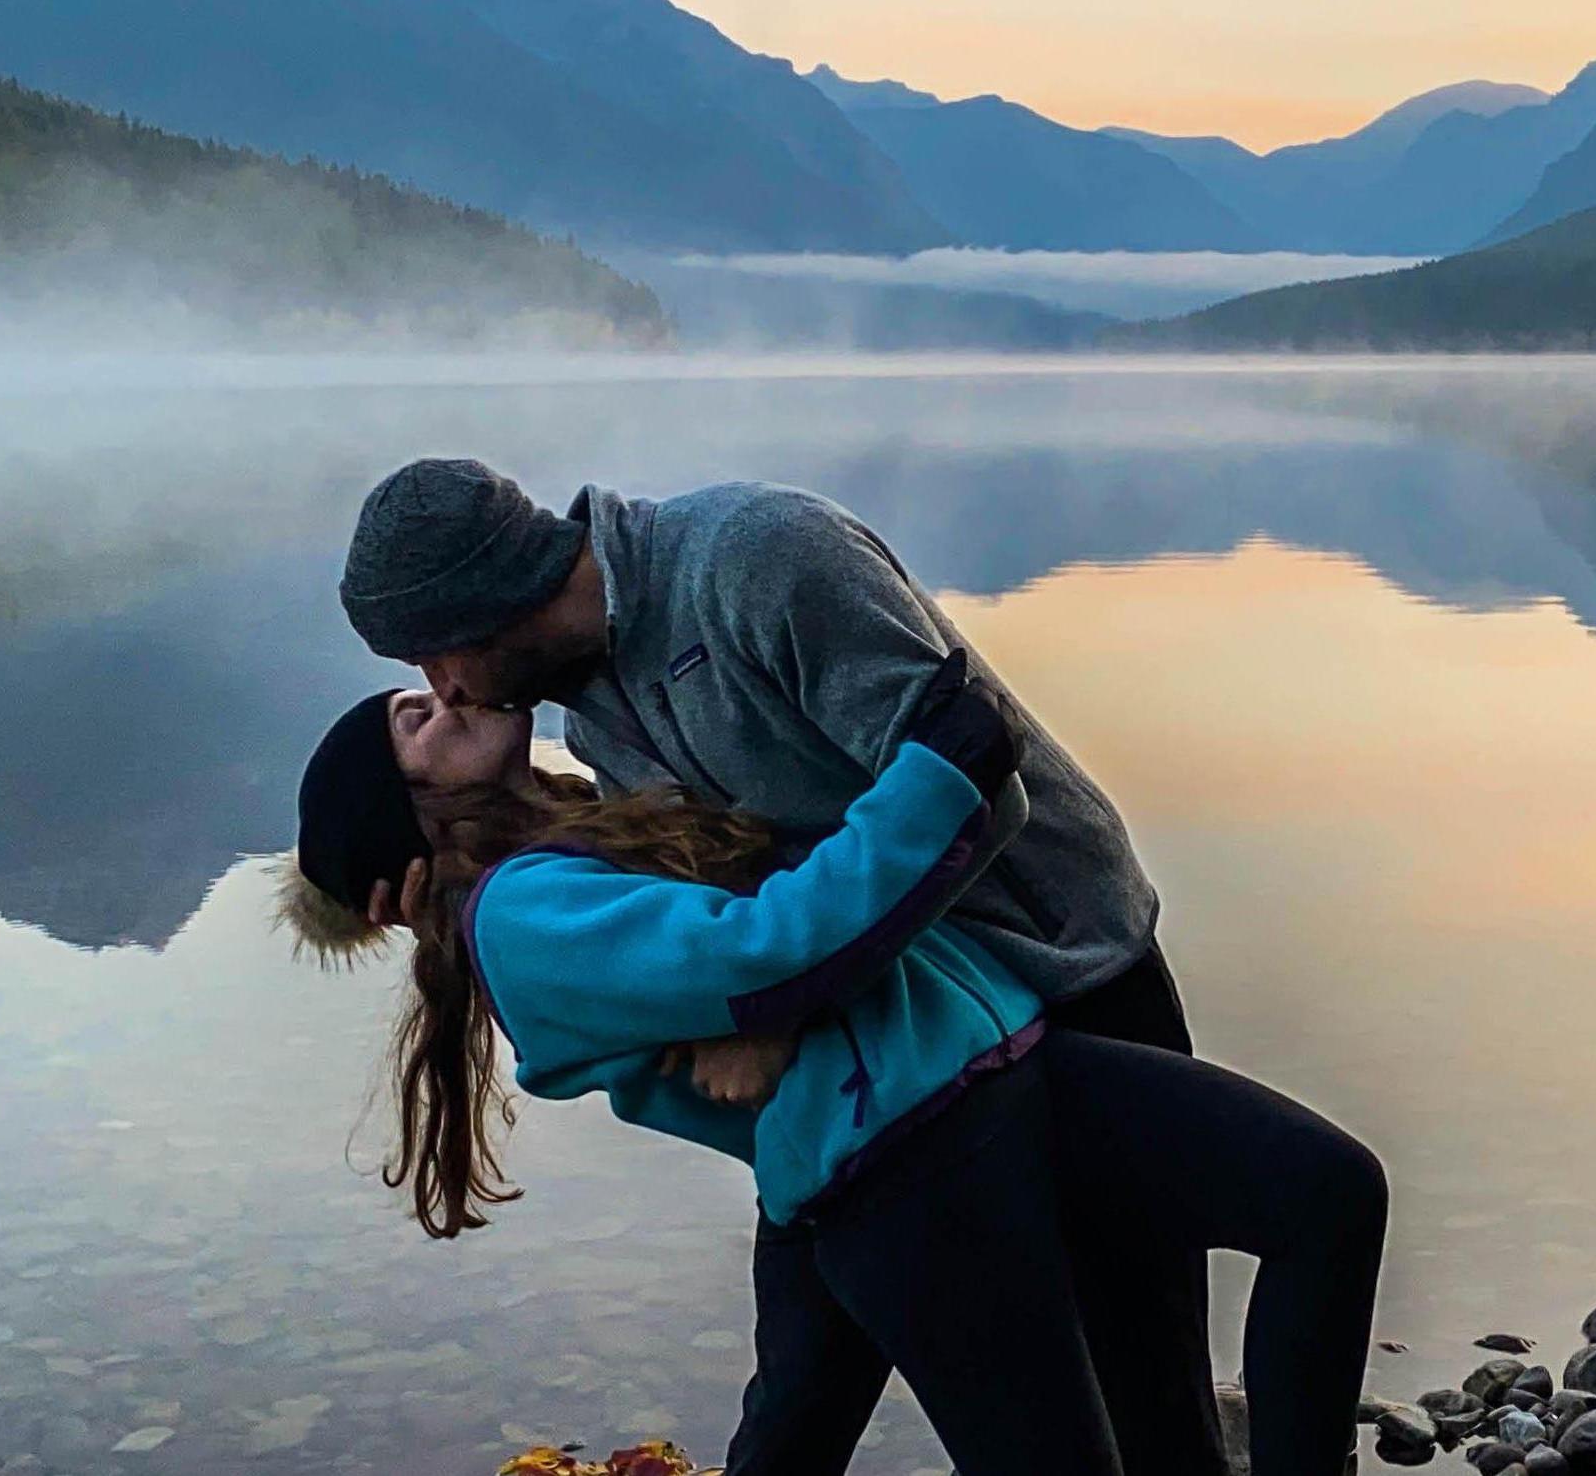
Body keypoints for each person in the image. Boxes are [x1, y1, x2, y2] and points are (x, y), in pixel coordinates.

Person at [335, 457, 1223, 1474]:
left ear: (490, 606)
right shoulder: (595, 718)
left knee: (1145, 1359)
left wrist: (787, 1003)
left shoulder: (760, 557)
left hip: (1065, 965)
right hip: (902, 1042)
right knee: (817, 1365)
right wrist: (437, 881)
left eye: (436, 657)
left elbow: (978, 776)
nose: (442, 688)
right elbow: (721, 907)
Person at [276, 680, 1388, 1476]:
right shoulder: (522, 921)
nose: (441, 693)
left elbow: (772, 949)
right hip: (904, 1173)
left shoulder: (578, 830)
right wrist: (940, 774)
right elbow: (769, 949)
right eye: (410, 721)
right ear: (408, 821)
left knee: (1327, 1193)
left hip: (1003, 1073)